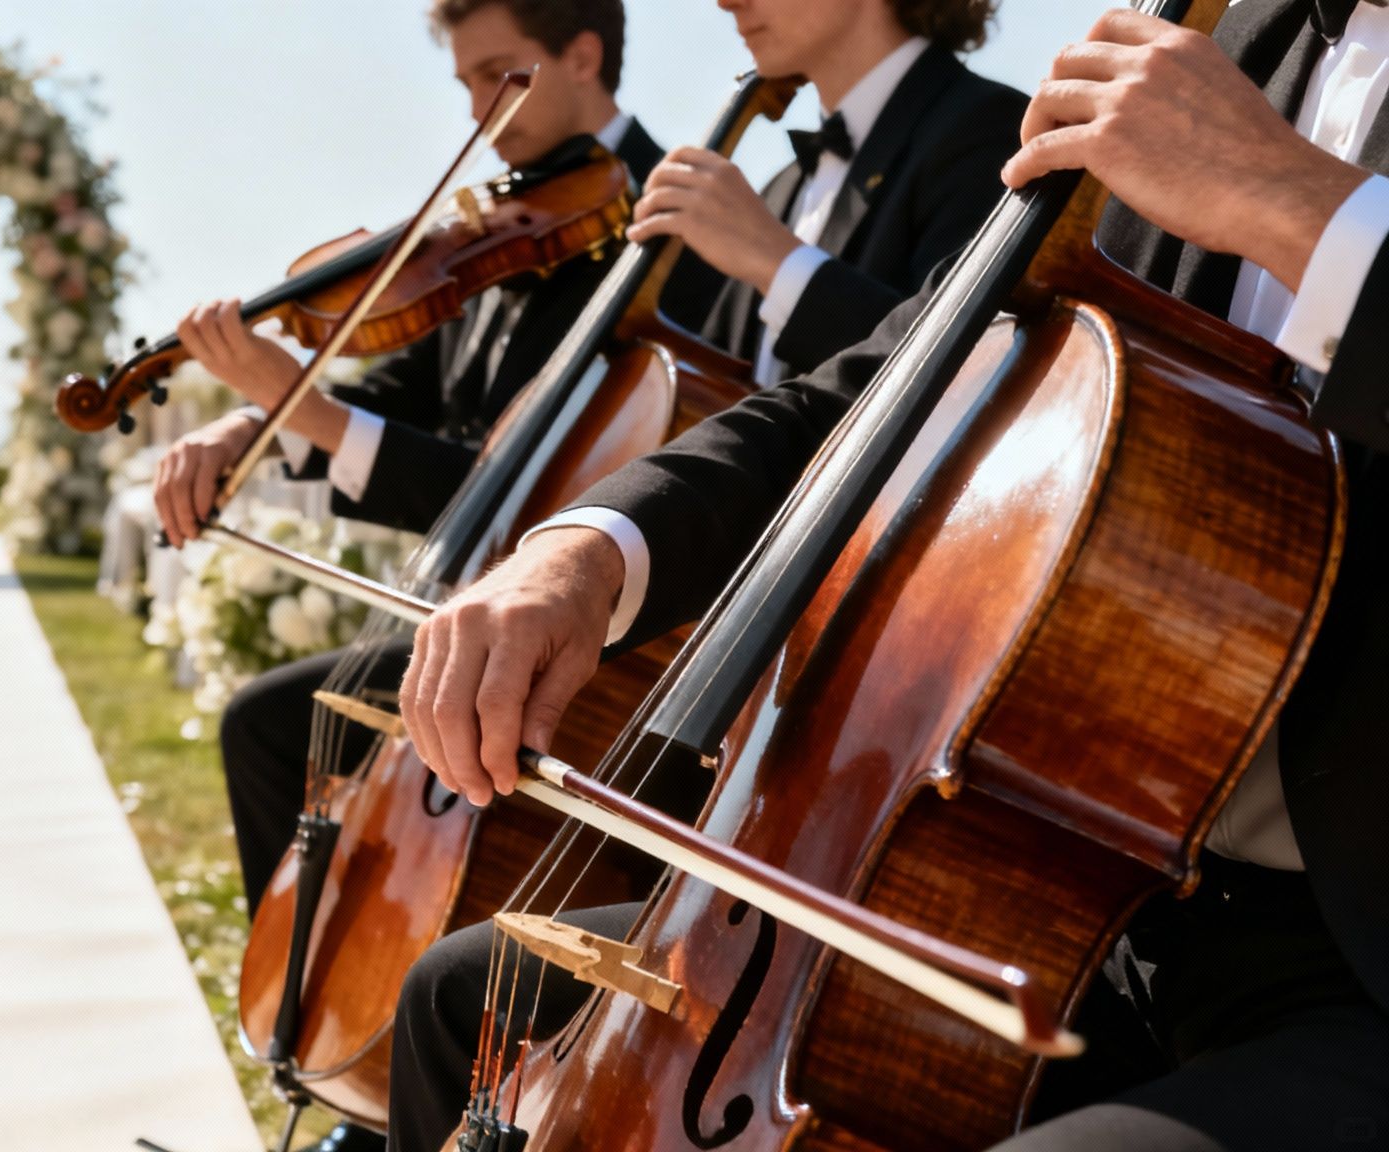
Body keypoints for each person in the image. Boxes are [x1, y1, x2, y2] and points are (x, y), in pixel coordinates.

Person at [389, 3, 1389, 1150]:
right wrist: (586, 554)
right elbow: (885, 380)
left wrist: (1310, 216)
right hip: (1056, 881)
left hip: (1348, 946)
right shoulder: (1222, 36)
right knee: (461, 1002)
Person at [203, 0, 1024, 1054]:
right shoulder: (763, 182)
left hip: (858, 663)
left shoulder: (981, 135)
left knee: (466, 988)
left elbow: (962, 379)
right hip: (708, 636)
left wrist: (777, 264)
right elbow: (724, 414)